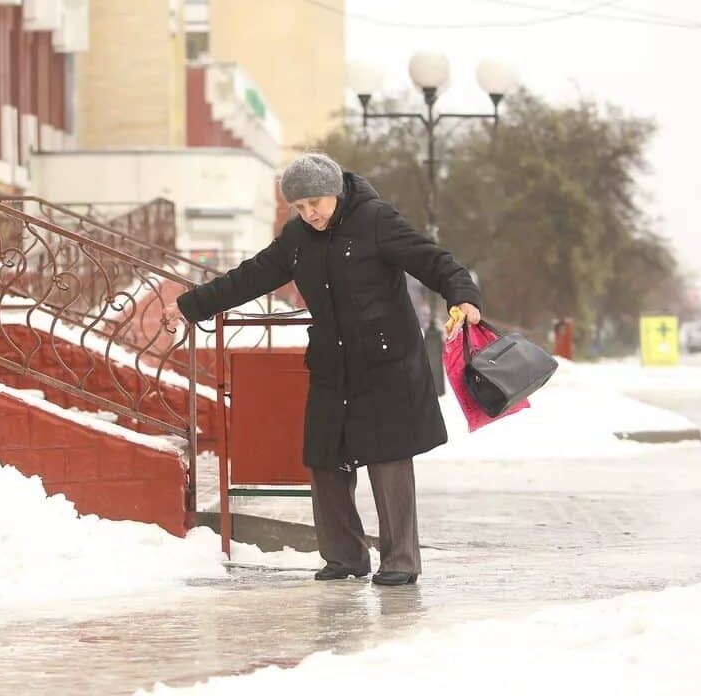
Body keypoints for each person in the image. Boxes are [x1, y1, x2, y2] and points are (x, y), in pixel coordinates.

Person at [166, 153, 482, 586]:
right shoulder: (297, 238)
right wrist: (189, 306)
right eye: (299, 206)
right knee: (325, 458)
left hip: (385, 361)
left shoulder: (375, 220)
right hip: (334, 363)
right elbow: (249, 277)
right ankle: (344, 557)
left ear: (334, 191)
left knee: (388, 459)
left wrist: (463, 296)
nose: (309, 213)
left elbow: (435, 262)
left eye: (314, 202)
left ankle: (400, 561)